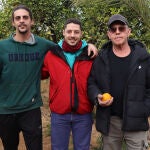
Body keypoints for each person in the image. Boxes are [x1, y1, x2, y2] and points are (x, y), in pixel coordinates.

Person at [0, 5, 98, 150]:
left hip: (31, 109)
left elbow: (68, 47)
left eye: (25, 17)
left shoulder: (45, 45)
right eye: (18, 18)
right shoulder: (3, 47)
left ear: (32, 21)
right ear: (13, 22)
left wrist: (89, 45)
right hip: (6, 110)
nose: (22, 21)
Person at [87, 14, 150, 150]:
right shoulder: (101, 58)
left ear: (128, 32)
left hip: (137, 119)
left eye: (121, 28)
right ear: (109, 34)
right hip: (111, 120)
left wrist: (144, 109)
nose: (117, 32)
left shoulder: (143, 58)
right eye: (113, 29)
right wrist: (97, 97)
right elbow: (92, 83)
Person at [42, 18, 94, 150]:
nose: (72, 35)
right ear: (63, 32)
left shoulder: (90, 54)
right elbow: (40, 74)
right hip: (59, 114)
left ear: (81, 34)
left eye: (76, 32)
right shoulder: (52, 54)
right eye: (69, 31)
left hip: (83, 113)